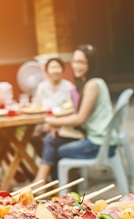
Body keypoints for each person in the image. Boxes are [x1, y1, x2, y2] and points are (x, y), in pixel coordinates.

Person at [33, 45, 116, 183]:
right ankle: (44, 183)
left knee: (57, 150)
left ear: (91, 64)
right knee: (51, 139)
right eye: (74, 61)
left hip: (99, 144)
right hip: (95, 138)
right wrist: (57, 122)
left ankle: (54, 188)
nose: (76, 66)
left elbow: (80, 119)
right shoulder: (87, 84)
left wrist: (53, 122)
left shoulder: (92, 85)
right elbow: (77, 111)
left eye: (81, 62)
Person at [31, 57, 74, 155]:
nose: (55, 71)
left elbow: (71, 109)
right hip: (43, 122)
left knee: (51, 137)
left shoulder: (69, 87)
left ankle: (50, 163)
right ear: (46, 71)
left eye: (58, 67)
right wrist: (46, 122)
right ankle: (47, 160)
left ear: (63, 70)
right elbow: (36, 107)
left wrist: (55, 123)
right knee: (32, 136)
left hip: (62, 122)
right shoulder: (42, 87)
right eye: (52, 68)